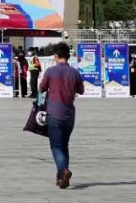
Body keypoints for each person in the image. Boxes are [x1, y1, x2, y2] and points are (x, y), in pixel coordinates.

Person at [39, 42, 84, 189]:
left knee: (56, 147)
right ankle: (62, 178)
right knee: (64, 146)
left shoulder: (50, 71)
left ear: (57, 56)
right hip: (69, 115)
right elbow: (81, 90)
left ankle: (63, 171)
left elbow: (41, 88)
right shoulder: (74, 72)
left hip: (54, 114)